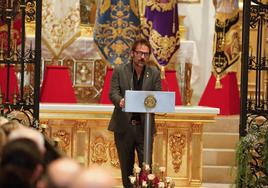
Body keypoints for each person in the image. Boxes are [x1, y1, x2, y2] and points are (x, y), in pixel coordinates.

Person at [108, 38, 162, 187]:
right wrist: (121, 101)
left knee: (146, 168)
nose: (142, 57)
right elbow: (113, 92)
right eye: (139, 53)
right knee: (127, 169)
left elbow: (158, 96)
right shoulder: (120, 70)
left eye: (146, 54)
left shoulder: (154, 73)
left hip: (144, 128)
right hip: (124, 127)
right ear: (132, 53)